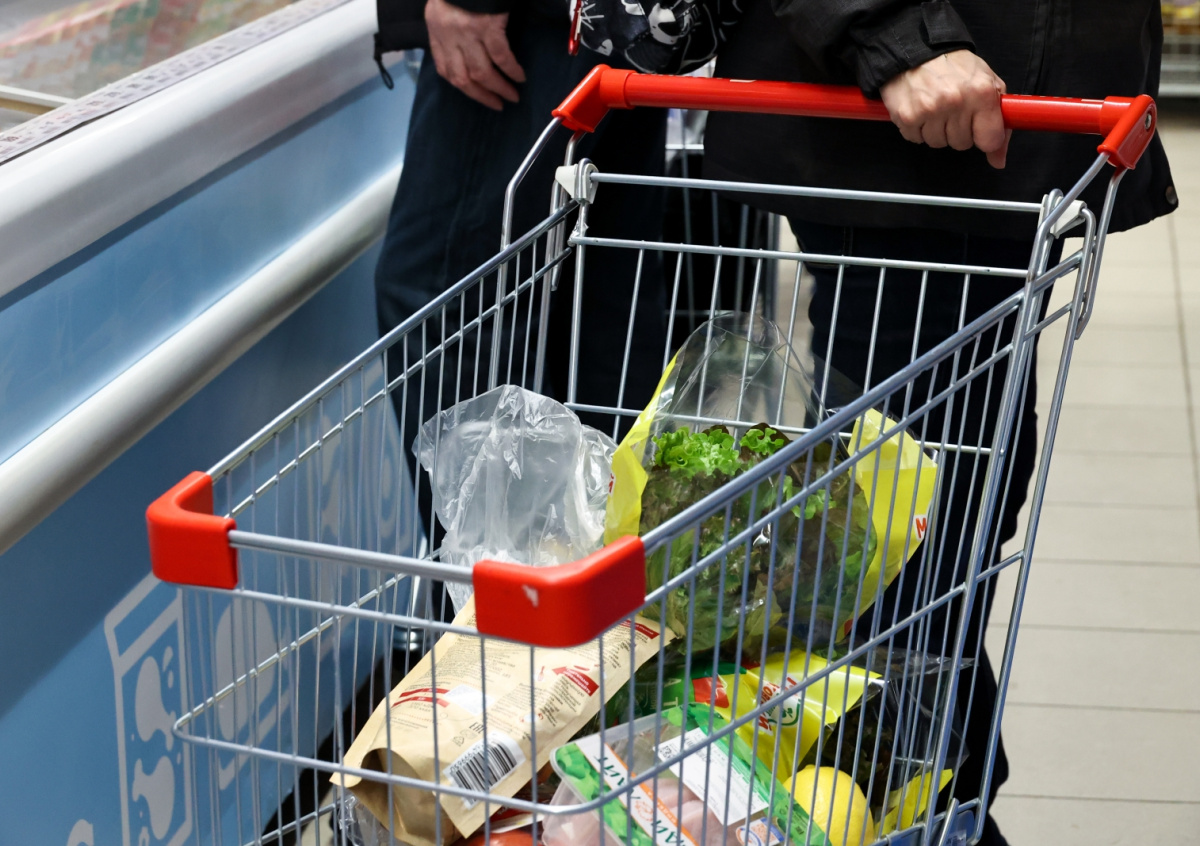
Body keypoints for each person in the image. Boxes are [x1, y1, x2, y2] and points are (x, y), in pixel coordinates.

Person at [702, 3, 1175, 844]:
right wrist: (898, 35)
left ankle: (929, 809)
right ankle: (922, 813)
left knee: (939, 532)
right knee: (910, 552)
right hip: (922, 136)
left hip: (991, 131)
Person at [374, 0, 670, 562]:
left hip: (529, 21)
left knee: (445, 299)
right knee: (597, 292)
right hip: (621, 19)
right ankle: (606, 581)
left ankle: (500, 601)